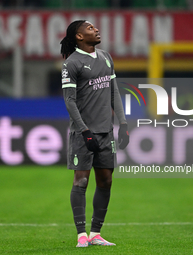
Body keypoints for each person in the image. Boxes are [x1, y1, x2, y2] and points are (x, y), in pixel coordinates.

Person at [60, 20, 129, 248]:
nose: (96, 29)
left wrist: (123, 122)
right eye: (90, 28)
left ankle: (96, 233)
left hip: (105, 132)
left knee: (106, 181)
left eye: (95, 27)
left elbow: (114, 92)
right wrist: (84, 130)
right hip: (83, 133)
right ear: (79, 36)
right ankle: (81, 235)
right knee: (81, 182)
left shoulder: (106, 57)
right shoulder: (71, 63)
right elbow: (69, 102)